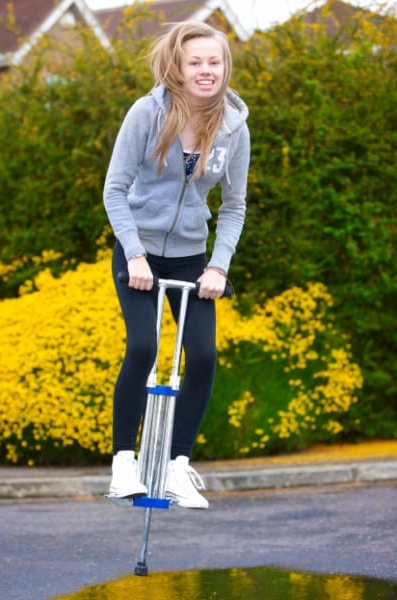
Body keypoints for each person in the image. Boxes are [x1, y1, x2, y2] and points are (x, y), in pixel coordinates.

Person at [102, 22, 250, 509]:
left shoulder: (234, 125)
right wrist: (136, 253)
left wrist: (219, 267)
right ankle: (124, 462)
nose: (207, 71)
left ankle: (176, 467)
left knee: (204, 357)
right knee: (143, 347)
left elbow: (234, 206)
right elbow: (114, 191)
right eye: (196, 63)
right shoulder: (147, 113)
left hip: (191, 256)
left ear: (224, 67)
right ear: (178, 68)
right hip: (138, 251)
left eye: (215, 62)